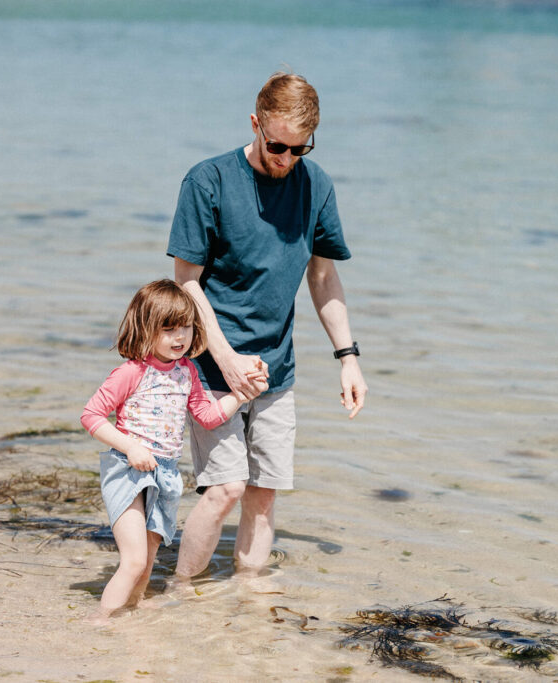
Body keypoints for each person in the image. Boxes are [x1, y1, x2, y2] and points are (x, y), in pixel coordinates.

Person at [167, 71, 368, 583]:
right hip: (212, 366)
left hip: (277, 371)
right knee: (225, 489)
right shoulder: (207, 181)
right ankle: (180, 593)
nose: (286, 159)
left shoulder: (315, 184)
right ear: (256, 124)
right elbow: (186, 284)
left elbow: (322, 277)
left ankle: (248, 607)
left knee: (263, 493)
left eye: (300, 149)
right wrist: (228, 359)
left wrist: (349, 358)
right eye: (277, 145)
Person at [80, 279, 267, 621]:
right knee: (134, 558)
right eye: (169, 329)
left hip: (163, 472)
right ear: (145, 329)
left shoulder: (188, 372)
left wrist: (241, 395)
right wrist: (130, 447)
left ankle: (134, 605)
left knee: (150, 553)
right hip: (127, 470)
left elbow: (208, 417)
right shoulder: (131, 373)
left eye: (185, 327)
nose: (180, 336)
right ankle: (100, 621)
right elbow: (91, 415)